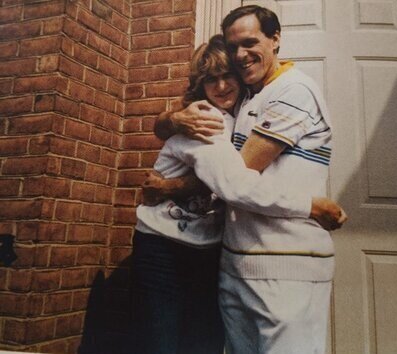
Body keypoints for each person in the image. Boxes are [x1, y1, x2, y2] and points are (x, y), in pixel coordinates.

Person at [133, 34, 345, 354]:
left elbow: (220, 179)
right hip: (163, 247)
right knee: (163, 343)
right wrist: (311, 206)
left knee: (203, 343)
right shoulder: (205, 117)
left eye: (226, 75)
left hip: (207, 251)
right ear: (200, 85)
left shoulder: (247, 112)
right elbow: (232, 184)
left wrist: (173, 185)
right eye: (210, 80)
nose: (220, 87)